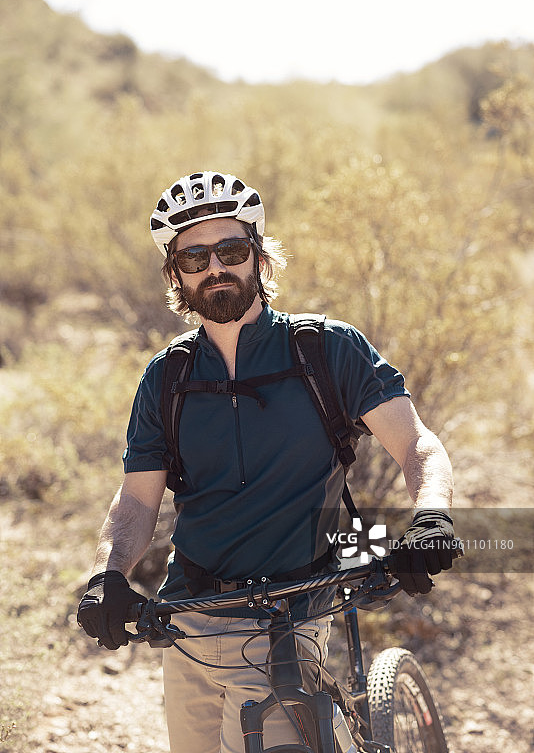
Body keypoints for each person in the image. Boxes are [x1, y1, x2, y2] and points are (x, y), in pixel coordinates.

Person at [77, 171, 456, 753]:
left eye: (229, 250)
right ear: (175, 273)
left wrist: (432, 516)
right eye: (194, 257)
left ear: (258, 256)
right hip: (191, 616)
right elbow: (135, 499)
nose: (214, 268)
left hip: (290, 611)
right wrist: (109, 577)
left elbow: (416, 446)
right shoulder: (168, 377)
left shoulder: (327, 351)